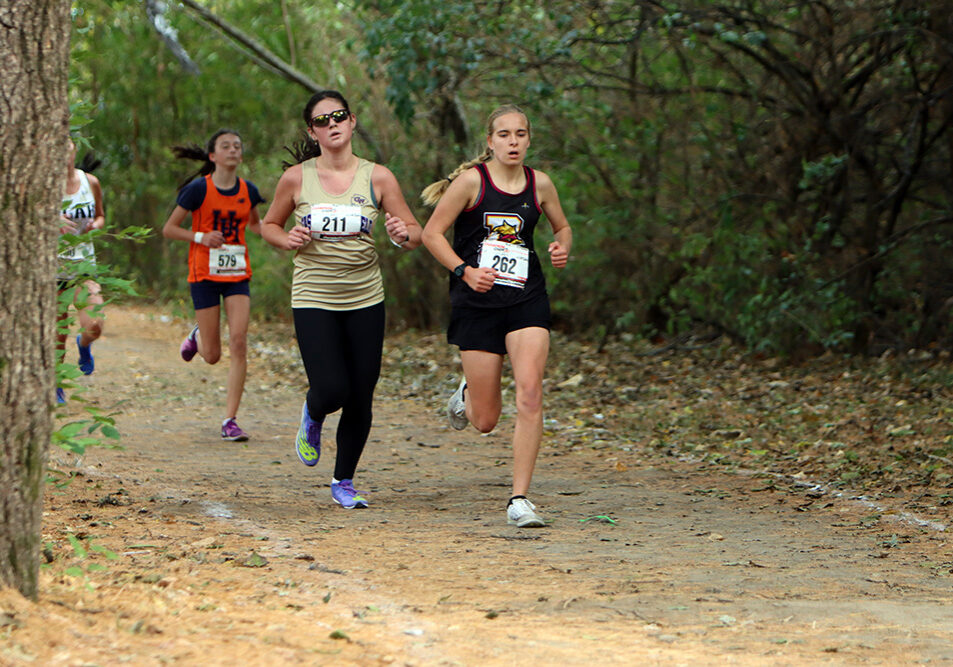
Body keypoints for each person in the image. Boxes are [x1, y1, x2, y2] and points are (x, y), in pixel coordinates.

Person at [260, 89, 422, 509]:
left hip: (365, 296)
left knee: (362, 392)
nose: (331, 124)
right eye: (321, 120)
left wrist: (402, 235)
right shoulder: (297, 178)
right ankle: (313, 412)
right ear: (311, 132)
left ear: (352, 122)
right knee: (332, 389)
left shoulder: (378, 177)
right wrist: (286, 238)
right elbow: (268, 225)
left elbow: (414, 231)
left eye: (338, 116)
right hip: (313, 295)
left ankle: (343, 481)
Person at [420, 104, 572, 527]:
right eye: (504, 134)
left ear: (529, 139)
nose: (513, 142)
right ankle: (468, 392)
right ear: (490, 141)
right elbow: (432, 233)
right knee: (485, 421)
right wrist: (464, 272)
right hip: (477, 304)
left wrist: (561, 246)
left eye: (520, 134)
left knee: (530, 393)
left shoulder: (540, 184)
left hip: (526, 299)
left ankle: (519, 499)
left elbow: (562, 228)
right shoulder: (472, 182)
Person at [162, 129, 263, 441]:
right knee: (213, 355)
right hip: (204, 275)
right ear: (213, 156)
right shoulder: (198, 190)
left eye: (237, 146)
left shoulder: (248, 190)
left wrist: (286, 235)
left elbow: (256, 225)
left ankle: (230, 420)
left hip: (237, 276)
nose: (233, 150)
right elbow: (169, 228)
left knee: (239, 342)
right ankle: (197, 336)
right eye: (225, 146)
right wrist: (200, 237)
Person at [57, 139, 106, 404]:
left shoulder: (90, 182)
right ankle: (56, 383)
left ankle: (84, 344)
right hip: (52, 269)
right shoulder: (43, 185)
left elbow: (100, 215)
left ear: (74, 150)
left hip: (83, 267)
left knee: (95, 324)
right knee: (56, 333)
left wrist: (95, 226)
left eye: (67, 147)